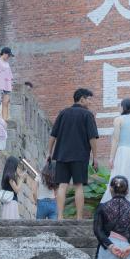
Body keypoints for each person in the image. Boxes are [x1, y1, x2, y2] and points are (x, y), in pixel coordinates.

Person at [48, 88, 100, 220]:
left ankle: (59, 217)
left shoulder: (63, 113)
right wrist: (95, 157)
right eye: (89, 99)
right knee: (78, 185)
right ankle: (79, 218)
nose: (90, 103)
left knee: (62, 185)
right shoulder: (87, 115)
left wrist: (49, 153)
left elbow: (53, 135)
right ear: (82, 99)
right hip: (80, 156)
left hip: (62, 155)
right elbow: (92, 138)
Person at [99, 98, 130, 212]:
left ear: (124, 107)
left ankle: (114, 208)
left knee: (118, 176)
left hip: (122, 152)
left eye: (120, 105)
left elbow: (115, 139)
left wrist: (111, 158)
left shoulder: (118, 120)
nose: (119, 107)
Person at [0, 47, 14, 121]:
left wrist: (11, 84)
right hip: (0, 85)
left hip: (7, 85)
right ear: (4, 53)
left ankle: (4, 119)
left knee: (6, 103)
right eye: (8, 55)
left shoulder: (7, 63)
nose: (9, 57)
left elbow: (10, 76)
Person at [0, 156, 21, 220]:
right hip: (11, 202)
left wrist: (18, 178)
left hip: (8, 201)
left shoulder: (6, 175)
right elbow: (17, 190)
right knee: (11, 220)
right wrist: (21, 179)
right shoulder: (10, 176)